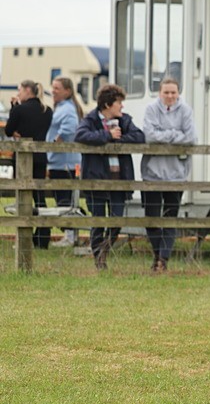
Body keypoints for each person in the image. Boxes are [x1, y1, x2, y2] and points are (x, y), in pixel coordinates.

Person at [76, 84, 144, 270]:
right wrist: (106, 135)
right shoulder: (90, 120)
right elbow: (81, 135)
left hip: (119, 182)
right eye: (118, 103)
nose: (122, 106)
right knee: (98, 222)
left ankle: (104, 251)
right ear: (107, 104)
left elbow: (139, 137)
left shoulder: (125, 120)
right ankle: (99, 260)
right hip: (95, 181)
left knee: (116, 221)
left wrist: (118, 139)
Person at [141, 76, 197, 273]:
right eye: (166, 92)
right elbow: (149, 135)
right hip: (152, 174)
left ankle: (163, 260)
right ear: (160, 93)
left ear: (178, 93)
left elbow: (191, 137)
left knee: (170, 218)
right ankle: (157, 255)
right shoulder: (151, 109)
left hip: (176, 174)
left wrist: (164, 135)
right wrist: (175, 135)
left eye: (173, 92)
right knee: (152, 219)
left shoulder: (186, 110)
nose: (170, 96)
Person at [5, 80, 53, 248]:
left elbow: (9, 130)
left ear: (27, 90)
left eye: (20, 90)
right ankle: (43, 236)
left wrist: (13, 108)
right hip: (40, 156)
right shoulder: (46, 110)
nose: (18, 93)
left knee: (23, 198)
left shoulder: (20, 109)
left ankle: (24, 238)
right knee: (40, 197)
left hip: (22, 158)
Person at [46, 77, 84, 247]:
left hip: (65, 162)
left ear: (67, 91)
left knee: (65, 199)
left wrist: (55, 143)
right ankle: (71, 234)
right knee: (64, 198)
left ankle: (71, 235)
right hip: (60, 161)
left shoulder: (67, 109)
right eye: (53, 88)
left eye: (57, 88)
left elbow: (69, 128)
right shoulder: (62, 107)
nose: (53, 91)